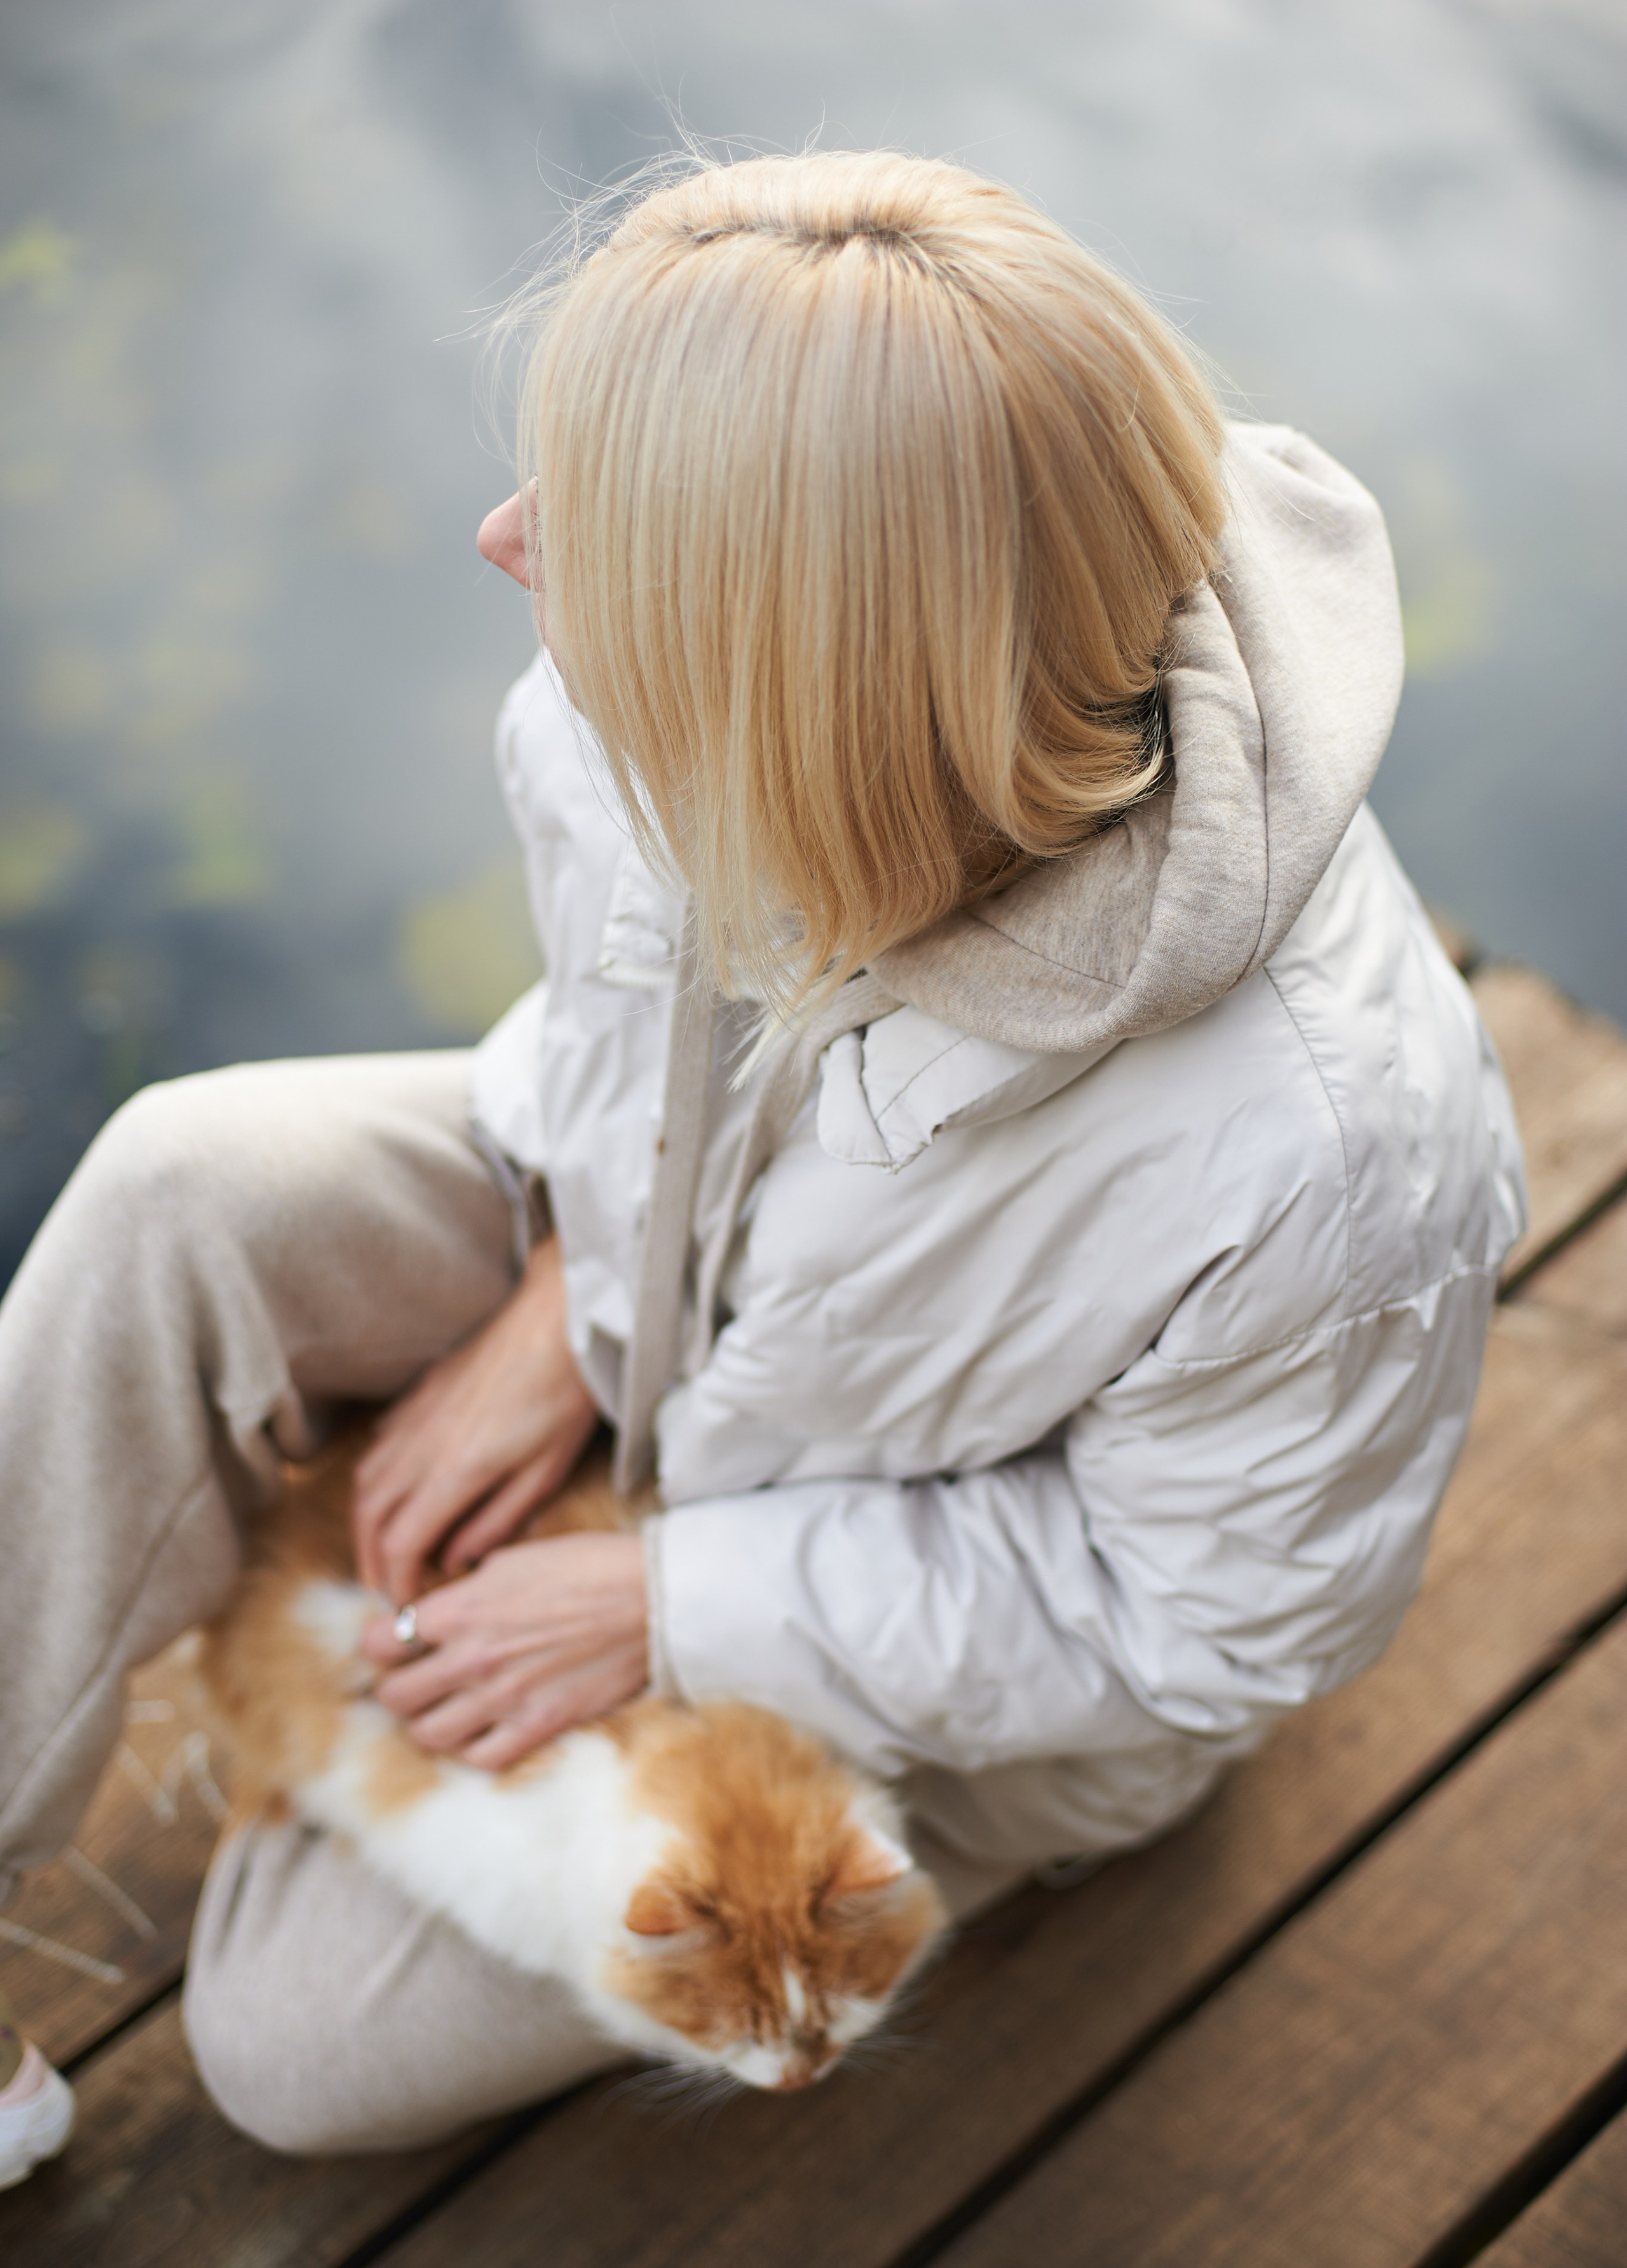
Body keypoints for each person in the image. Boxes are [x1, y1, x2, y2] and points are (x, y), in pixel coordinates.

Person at [0, 151, 1523, 2159]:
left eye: (603, 527)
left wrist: (672, 1607)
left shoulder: (1323, 1157)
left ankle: (903, 1849)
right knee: (188, 1191)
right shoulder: (675, 697)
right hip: (670, 1308)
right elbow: (626, 1033)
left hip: (927, 1597)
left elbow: (1219, 1628)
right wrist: (566, 1287)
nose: (509, 543)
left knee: (290, 2046)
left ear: (801, 663)